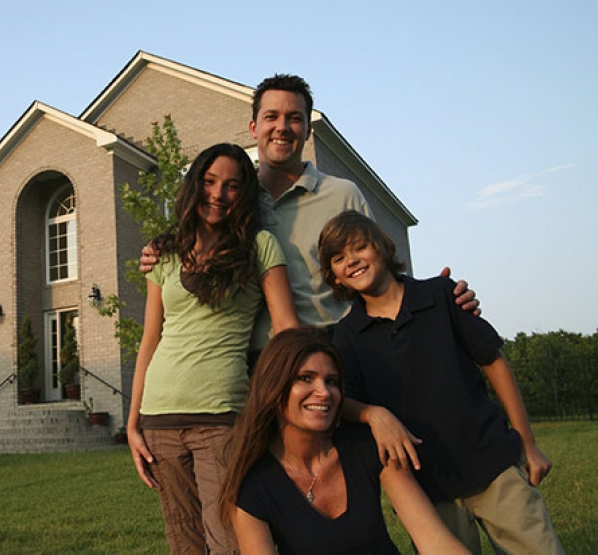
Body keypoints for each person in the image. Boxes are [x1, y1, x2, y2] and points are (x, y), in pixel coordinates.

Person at [140, 74, 479, 345]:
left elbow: (379, 273)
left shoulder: (342, 195)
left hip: (337, 348)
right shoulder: (234, 202)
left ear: (307, 129)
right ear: (254, 128)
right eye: (271, 117)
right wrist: (159, 250)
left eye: (294, 118)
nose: (282, 127)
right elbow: (196, 248)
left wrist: (441, 298)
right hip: (255, 357)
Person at [319, 210, 564, 554]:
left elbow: (493, 359)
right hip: (427, 486)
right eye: (339, 258)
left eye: (359, 247)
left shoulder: (441, 295)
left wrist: (528, 441)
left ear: (383, 247)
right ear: (335, 278)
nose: (352, 260)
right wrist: (374, 415)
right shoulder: (346, 336)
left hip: (492, 465)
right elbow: (343, 401)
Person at [128, 143, 300, 554]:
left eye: (231, 186)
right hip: (159, 419)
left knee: (229, 539)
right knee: (184, 541)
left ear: (243, 195)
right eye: (208, 182)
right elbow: (150, 340)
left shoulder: (259, 246)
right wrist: (132, 422)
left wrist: (279, 404)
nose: (217, 194)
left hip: (221, 417)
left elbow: (287, 329)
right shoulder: (164, 254)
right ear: (193, 186)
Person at [220, 327, 467, 554]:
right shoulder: (252, 487)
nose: (324, 392)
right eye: (306, 378)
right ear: (273, 388)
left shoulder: (366, 446)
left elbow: (435, 541)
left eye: (331, 381)